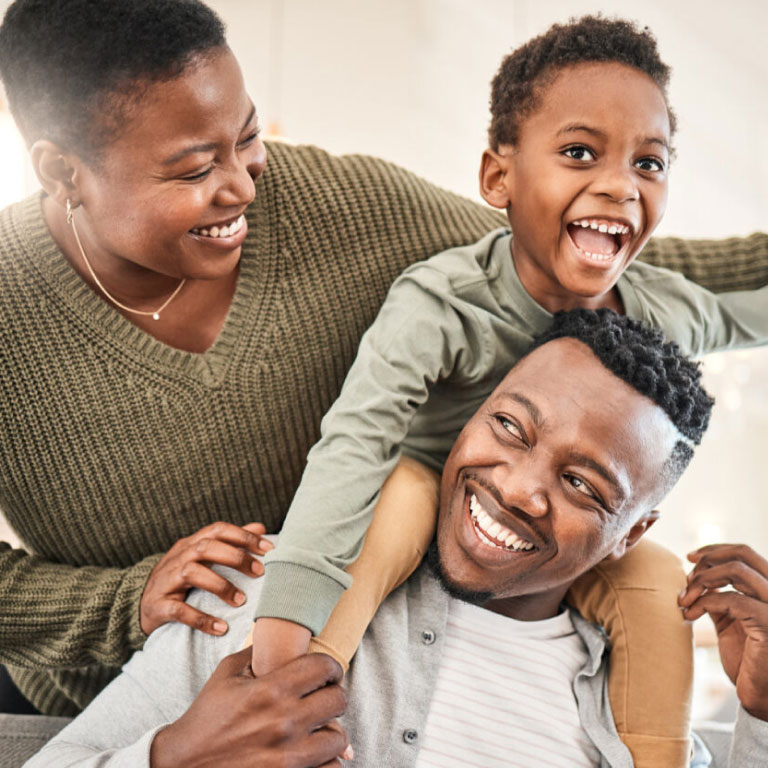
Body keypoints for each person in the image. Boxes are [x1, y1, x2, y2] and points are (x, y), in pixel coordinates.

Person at [0, 0, 765, 722]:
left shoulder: (346, 207)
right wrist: (120, 604)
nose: (242, 184)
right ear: (63, 172)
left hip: (358, 679)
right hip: (95, 708)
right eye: (196, 169)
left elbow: (568, 246)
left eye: (248, 138)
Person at [247, 16, 768, 768]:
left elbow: (741, 315)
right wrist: (282, 626)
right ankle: (291, 699)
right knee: (398, 493)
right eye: (581, 153)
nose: (621, 183)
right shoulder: (443, 302)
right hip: (434, 504)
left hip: (545, 547)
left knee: (657, 578)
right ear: (499, 178)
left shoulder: (662, 310)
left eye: (648, 164)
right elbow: (354, 442)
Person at [23, 310, 768, 767]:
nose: (516, 488)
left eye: (583, 484)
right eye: (510, 427)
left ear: (631, 534)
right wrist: (176, 759)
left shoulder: (637, 700)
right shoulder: (279, 597)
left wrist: (762, 711)